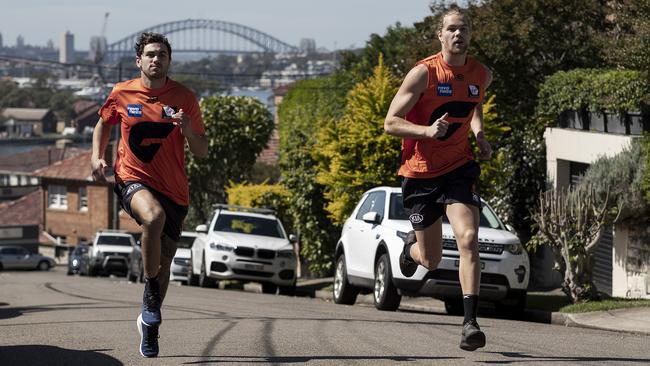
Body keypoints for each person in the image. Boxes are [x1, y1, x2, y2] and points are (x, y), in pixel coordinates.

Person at [90, 32, 208, 358]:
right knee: (152, 217)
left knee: (166, 261)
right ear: (139, 60)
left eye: (163, 56)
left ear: (169, 62)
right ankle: (151, 290)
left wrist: (187, 131)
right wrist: (96, 157)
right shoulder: (121, 93)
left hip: (175, 190)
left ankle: (149, 322)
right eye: (151, 55)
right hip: (132, 178)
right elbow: (103, 124)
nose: (157, 60)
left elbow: (202, 150)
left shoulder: (185, 98)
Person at [384, 7, 492, 351]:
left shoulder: (481, 74)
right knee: (430, 260)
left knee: (469, 237)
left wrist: (479, 134)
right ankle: (409, 248)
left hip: (459, 168)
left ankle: (470, 323)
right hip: (420, 173)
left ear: (471, 34)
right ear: (440, 36)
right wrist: (426, 131)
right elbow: (390, 122)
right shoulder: (423, 74)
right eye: (452, 30)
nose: (459, 35)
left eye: (464, 29)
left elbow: (474, 104)